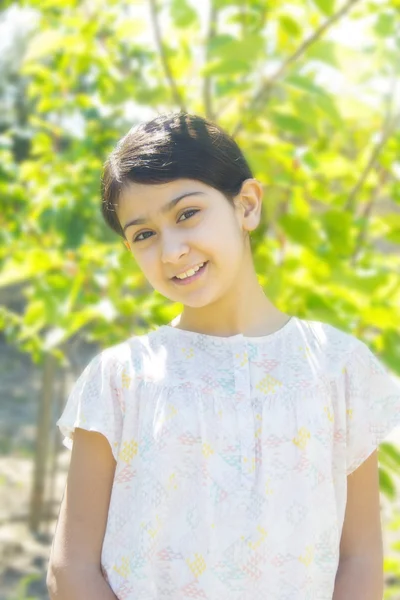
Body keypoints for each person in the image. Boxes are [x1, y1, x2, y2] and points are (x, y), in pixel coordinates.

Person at [47, 111, 400, 600]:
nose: (172, 250)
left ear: (247, 204)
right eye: (143, 234)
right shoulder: (120, 379)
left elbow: (359, 561)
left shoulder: (339, 368)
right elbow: (71, 569)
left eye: (187, 213)